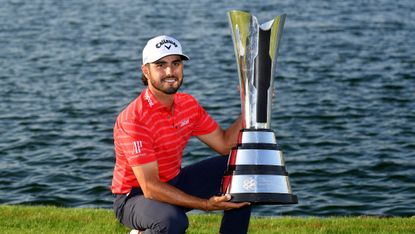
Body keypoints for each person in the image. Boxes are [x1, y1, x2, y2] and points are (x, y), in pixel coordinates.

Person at [111, 35, 251, 234]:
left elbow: (224, 144)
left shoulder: (188, 104)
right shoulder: (134, 119)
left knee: (243, 168)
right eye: (160, 65)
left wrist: (249, 106)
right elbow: (150, 187)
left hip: (174, 181)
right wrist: (205, 204)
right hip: (134, 197)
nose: (170, 71)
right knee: (171, 221)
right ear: (146, 71)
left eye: (175, 63)